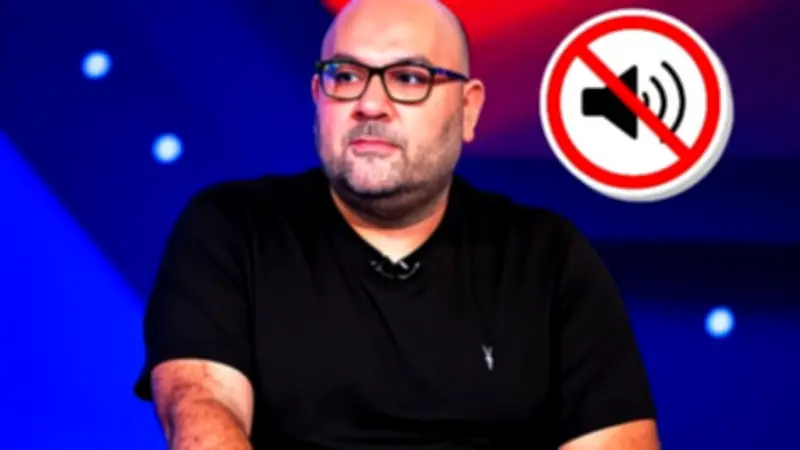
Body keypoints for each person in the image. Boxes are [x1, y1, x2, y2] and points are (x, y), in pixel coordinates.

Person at [133, 0, 660, 448]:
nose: (369, 104)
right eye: (345, 76)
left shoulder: (547, 257)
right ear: (318, 97)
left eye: (409, 78)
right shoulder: (233, 228)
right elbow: (200, 407)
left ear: (468, 109)